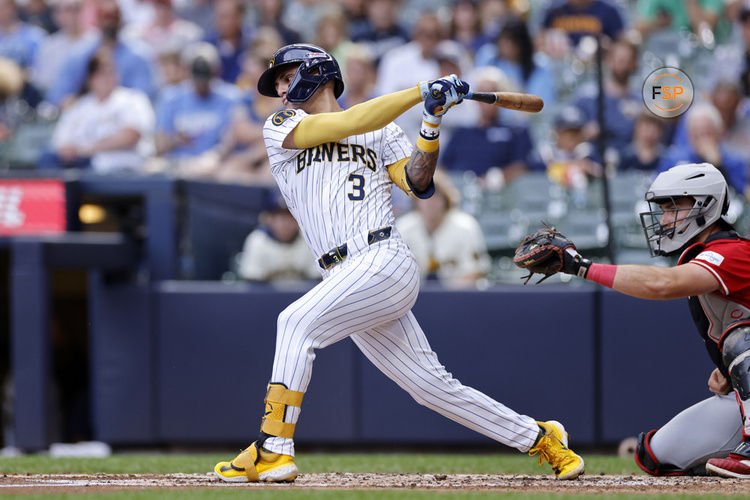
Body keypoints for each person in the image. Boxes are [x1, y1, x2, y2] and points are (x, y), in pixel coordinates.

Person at [211, 42, 584, 484]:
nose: (281, 86)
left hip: (381, 258)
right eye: (277, 81)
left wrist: (431, 119)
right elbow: (347, 121)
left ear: (317, 71)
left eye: (287, 75)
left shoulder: (383, 131)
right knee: (430, 386)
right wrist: (418, 91)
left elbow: (418, 183)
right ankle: (539, 436)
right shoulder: (281, 125)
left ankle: (273, 447)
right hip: (343, 274)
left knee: (295, 323)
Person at [516, 162, 750, 477]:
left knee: (741, 342)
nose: (665, 218)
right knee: (658, 455)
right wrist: (731, 370)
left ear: (705, 206)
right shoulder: (707, 253)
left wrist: (580, 267)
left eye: (673, 208)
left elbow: (663, 285)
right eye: (663, 209)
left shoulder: (731, 251)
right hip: (737, 395)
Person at [46, 51, 155, 173]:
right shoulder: (78, 106)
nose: (107, 78)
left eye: (111, 72)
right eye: (101, 74)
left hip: (121, 165)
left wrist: (88, 149)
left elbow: (131, 136)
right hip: (81, 165)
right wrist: (71, 151)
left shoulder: (133, 99)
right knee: (48, 159)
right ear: (90, 79)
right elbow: (61, 143)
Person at [45, 0, 155, 106]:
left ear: (121, 20)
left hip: (124, 115)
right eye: (105, 17)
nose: (109, 23)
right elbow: (60, 95)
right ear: (97, 20)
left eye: (113, 17)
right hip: (88, 114)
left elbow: (143, 98)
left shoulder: (138, 54)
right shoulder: (81, 54)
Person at [442, 66, 537, 188]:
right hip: (462, 194)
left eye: (491, 94)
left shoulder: (516, 130)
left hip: (502, 198)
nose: (485, 100)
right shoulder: (462, 132)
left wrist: (500, 177)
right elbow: (443, 167)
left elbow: (524, 166)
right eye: (481, 94)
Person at [396, 171, 490, 287]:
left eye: (435, 196)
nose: (429, 202)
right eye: (424, 196)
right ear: (416, 200)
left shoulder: (465, 226)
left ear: (446, 199)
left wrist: (444, 294)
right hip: (414, 297)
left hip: (458, 297)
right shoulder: (403, 228)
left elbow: (475, 273)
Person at [657, 103, 748, 197]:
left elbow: (737, 199)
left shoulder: (734, 162)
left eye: (706, 133)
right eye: (696, 133)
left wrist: (717, 165)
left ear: (719, 133)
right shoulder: (673, 158)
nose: (701, 139)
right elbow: (657, 191)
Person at [237, 194, 319, 282]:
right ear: (269, 219)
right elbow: (252, 285)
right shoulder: (257, 240)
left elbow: (317, 280)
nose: (284, 224)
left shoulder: (309, 240)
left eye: (290, 216)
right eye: (279, 218)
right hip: (266, 296)